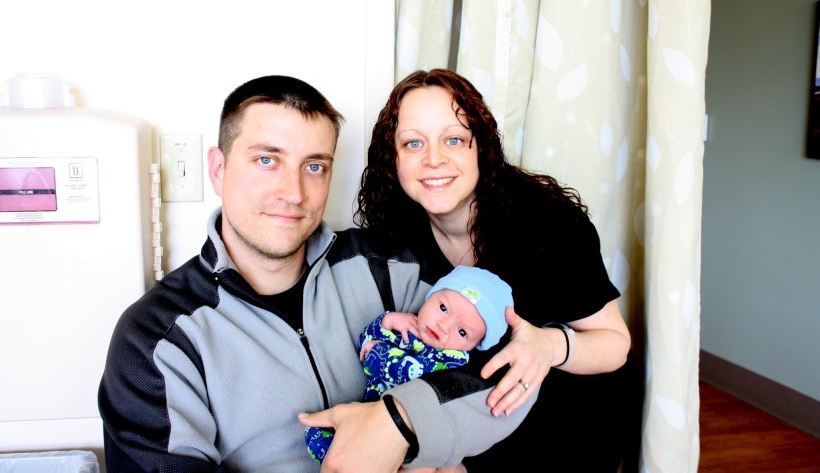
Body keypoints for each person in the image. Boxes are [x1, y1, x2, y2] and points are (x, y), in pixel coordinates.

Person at [97, 75, 531, 472]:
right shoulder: (156, 338)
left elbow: (509, 373)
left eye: (314, 166)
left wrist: (399, 423)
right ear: (218, 168)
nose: (293, 193)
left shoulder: (384, 265)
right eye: (267, 160)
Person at [354, 68, 642, 472]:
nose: (433, 159)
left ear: (481, 147)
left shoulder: (547, 225)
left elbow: (615, 344)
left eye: (453, 139)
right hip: (474, 432)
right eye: (413, 143)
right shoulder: (400, 229)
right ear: (393, 158)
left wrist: (550, 345)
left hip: (570, 430)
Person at [305, 265, 514, 471]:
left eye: (462, 332)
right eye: (443, 309)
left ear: (473, 346)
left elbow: (410, 372)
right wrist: (385, 322)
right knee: (317, 432)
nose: (443, 326)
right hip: (369, 409)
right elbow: (364, 344)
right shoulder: (408, 324)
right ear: (430, 297)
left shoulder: (453, 359)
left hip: (411, 433)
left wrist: (378, 352)